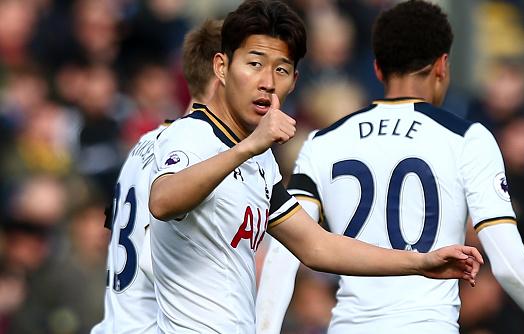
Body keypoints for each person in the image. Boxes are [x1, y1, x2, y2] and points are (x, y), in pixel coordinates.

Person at [147, 1, 483, 333]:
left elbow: (316, 245)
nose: (267, 81)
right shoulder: (190, 132)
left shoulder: (260, 161)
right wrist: (250, 145)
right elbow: (163, 200)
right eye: (254, 63)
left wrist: (420, 262)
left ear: (294, 81)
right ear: (221, 67)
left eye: (281, 69)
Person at [256, 1, 524, 334]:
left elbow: (283, 254)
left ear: (378, 69)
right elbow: (510, 264)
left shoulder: (323, 141)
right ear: (442, 65)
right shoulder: (467, 138)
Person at [91, 19, 223, 334]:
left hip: (120, 321)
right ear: (223, 73)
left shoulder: (147, 142)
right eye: (254, 67)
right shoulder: (200, 152)